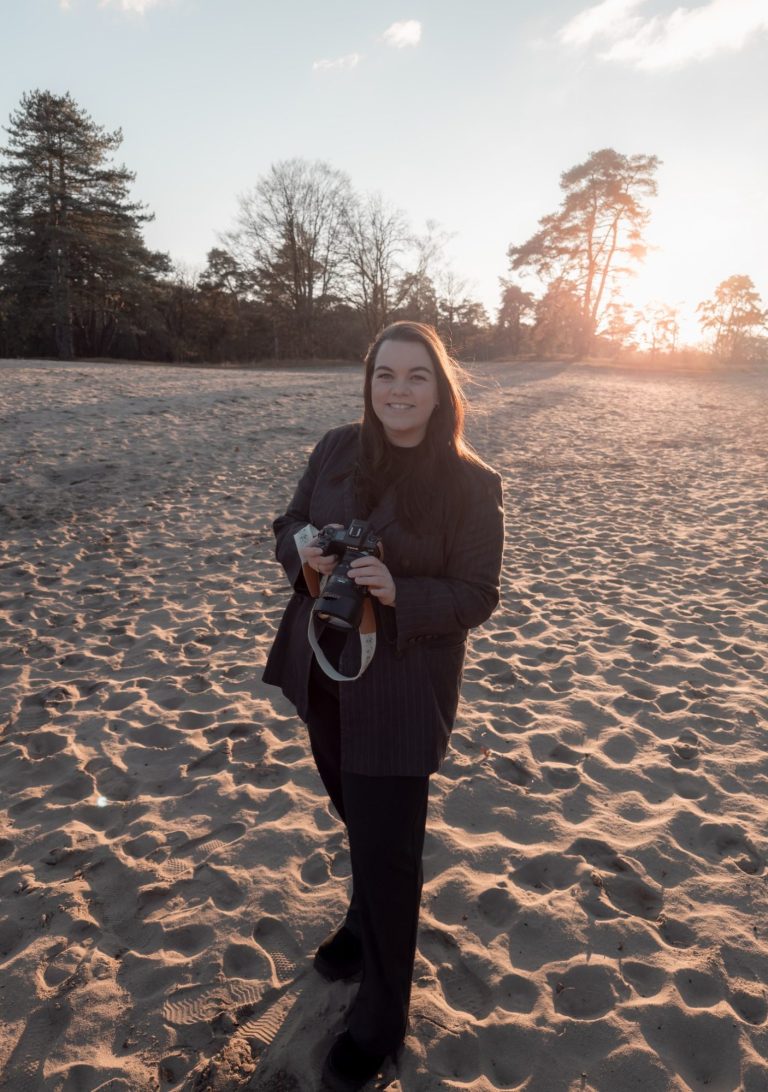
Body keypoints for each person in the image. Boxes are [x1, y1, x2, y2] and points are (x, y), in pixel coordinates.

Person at [262, 321, 504, 1091]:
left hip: (400, 690)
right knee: (355, 816)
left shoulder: (472, 485)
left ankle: (382, 1019)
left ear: (441, 391)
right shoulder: (337, 448)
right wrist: (303, 551)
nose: (398, 391)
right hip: (323, 674)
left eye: (416, 377)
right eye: (385, 375)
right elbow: (285, 524)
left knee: (391, 854)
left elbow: (477, 595)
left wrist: (400, 590)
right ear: (369, 384)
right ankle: (360, 921)